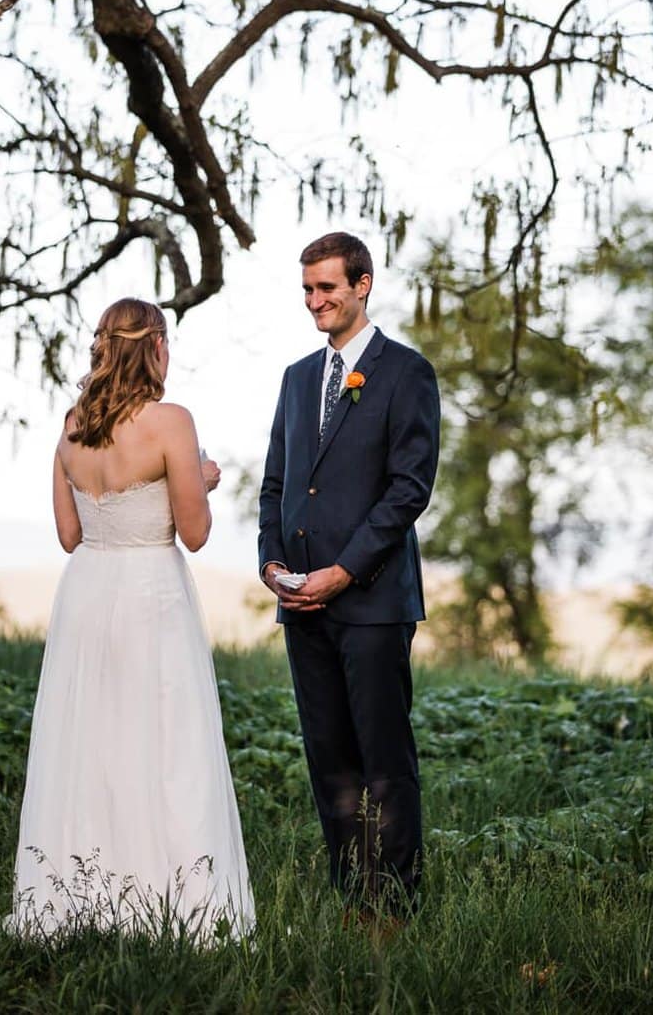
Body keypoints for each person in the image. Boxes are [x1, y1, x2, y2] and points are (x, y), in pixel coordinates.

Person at [7, 298, 253, 941]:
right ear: (156, 348)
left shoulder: (70, 426)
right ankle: (176, 904)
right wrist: (200, 478)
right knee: (166, 741)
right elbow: (194, 533)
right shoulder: (172, 421)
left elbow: (68, 534)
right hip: (151, 592)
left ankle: (76, 898)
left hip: (87, 590)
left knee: (88, 742)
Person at [258, 232, 440, 921]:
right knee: (328, 761)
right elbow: (277, 484)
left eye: (327, 287)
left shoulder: (406, 372)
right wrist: (271, 563)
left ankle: (394, 907)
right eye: (307, 289)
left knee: (384, 763)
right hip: (300, 604)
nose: (315, 301)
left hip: (372, 601)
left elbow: (408, 490)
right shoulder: (297, 379)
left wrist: (343, 571)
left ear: (363, 285)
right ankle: (349, 899)